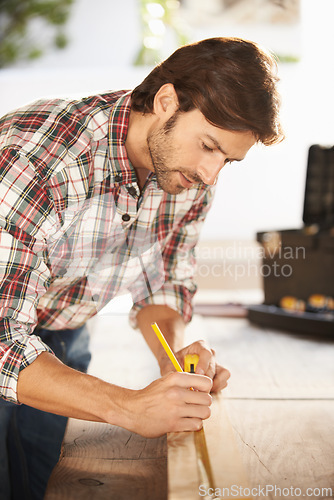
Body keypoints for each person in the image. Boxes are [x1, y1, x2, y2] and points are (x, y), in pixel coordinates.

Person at [0, 37, 283, 499]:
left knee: (41, 484)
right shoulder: (37, 160)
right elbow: (1, 342)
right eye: (209, 147)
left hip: (63, 329)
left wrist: (177, 370)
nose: (212, 176)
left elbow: (163, 283)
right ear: (166, 101)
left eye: (227, 160)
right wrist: (129, 408)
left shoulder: (184, 171)